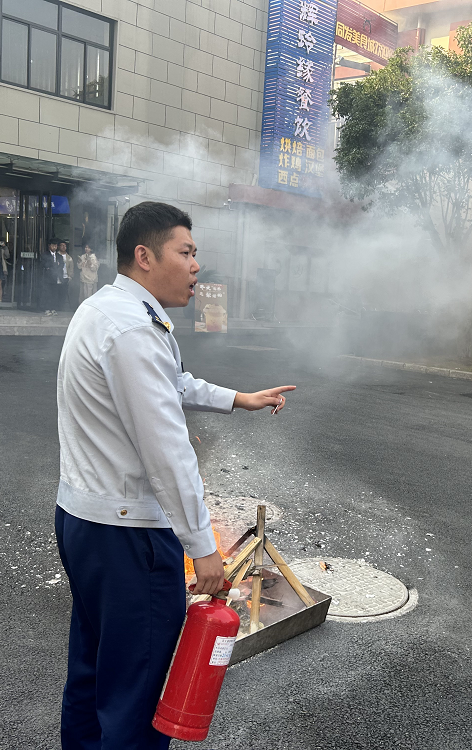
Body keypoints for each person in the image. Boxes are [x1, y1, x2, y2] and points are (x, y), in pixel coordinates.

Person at [54, 201, 295, 750]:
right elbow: (166, 449)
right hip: (128, 535)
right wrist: (202, 546)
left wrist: (239, 398)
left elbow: (174, 383)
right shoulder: (132, 330)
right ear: (144, 256)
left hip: (84, 519)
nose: (196, 266)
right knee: (137, 692)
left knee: (94, 668)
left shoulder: (107, 309)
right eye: (185, 252)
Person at [41, 238, 64, 315]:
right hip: (47, 278)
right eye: (53, 245)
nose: (54, 247)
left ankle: (54, 308)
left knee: (55, 293)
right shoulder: (45, 255)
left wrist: (54, 266)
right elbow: (45, 265)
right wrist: (54, 265)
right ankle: (47, 308)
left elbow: (61, 265)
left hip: (56, 277)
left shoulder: (59, 256)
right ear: (49, 246)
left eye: (56, 246)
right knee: (48, 293)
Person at [59, 240, 76, 311]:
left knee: (64, 292)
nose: (64, 247)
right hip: (58, 276)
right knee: (57, 292)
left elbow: (71, 268)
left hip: (66, 277)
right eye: (62, 245)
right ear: (59, 246)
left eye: (65, 246)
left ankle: (62, 306)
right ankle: (57, 306)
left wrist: (70, 277)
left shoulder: (69, 258)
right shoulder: (56, 255)